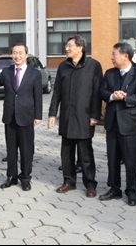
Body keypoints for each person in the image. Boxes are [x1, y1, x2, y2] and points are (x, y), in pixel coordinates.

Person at [48, 35, 103, 198]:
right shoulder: (63, 66)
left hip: (84, 116)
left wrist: (95, 115)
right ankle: (69, 181)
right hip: (67, 116)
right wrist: (52, 113)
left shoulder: (93, 66)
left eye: (70, 45)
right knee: (66, 152)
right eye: (67, 45)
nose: (67, 48)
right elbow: (56, 91)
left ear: (80, 48)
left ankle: (90, 184)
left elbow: (97, 93)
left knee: (85, 153)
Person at [0, 43, 42, 191]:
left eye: (20, 53)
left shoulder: (34, 73)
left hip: (26, 116)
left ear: (26, 55)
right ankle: (11, 177)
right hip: (10, 116)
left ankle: (25, 178)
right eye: (14, 53)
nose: (17, 55)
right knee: (11, 149)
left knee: (26, 150)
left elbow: (38, 96)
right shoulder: (7, 71)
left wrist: (38, 115)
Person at [99, 42, 136, 206]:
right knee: (112, 159)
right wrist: (113, 96)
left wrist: (125, 97)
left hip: (130, 123)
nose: (112, 57)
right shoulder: (110, 73)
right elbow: (103, 92)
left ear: (125, 56)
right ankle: (114, 188)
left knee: (131, 160)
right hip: (113, 122)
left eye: (114, 54)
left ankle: (133, 191)